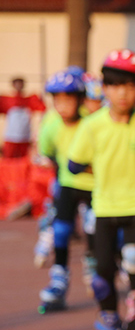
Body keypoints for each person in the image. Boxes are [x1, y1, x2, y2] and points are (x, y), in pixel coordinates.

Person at [68, 49, 135, 330]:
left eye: (130, 86)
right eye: (115, 85)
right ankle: (108, 323)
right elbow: (74, 164)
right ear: (104, 88)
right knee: (102, 274)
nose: (122, 93)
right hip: (105, 208)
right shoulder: (92, 126)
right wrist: (103, 170)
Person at [36, 68, 94, 313]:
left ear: (80, 99)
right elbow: (48, 153)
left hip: (94, 186)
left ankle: (94, 267)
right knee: (60, 230)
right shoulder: (50, 125)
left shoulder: (91, 122)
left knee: (93, 228)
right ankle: (59, 279)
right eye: (57, 100)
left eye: (68, 100)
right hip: (67, 183)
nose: (62, 106)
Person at [1, 76, 46, 158]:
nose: (18, 86)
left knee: (24, 160)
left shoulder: (29, 100)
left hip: (25, 138)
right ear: (13, 85)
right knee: (8, 160)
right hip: (11, 138)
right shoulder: (7, 100)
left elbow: (43, 108)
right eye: (16, 84)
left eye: (20, 83)